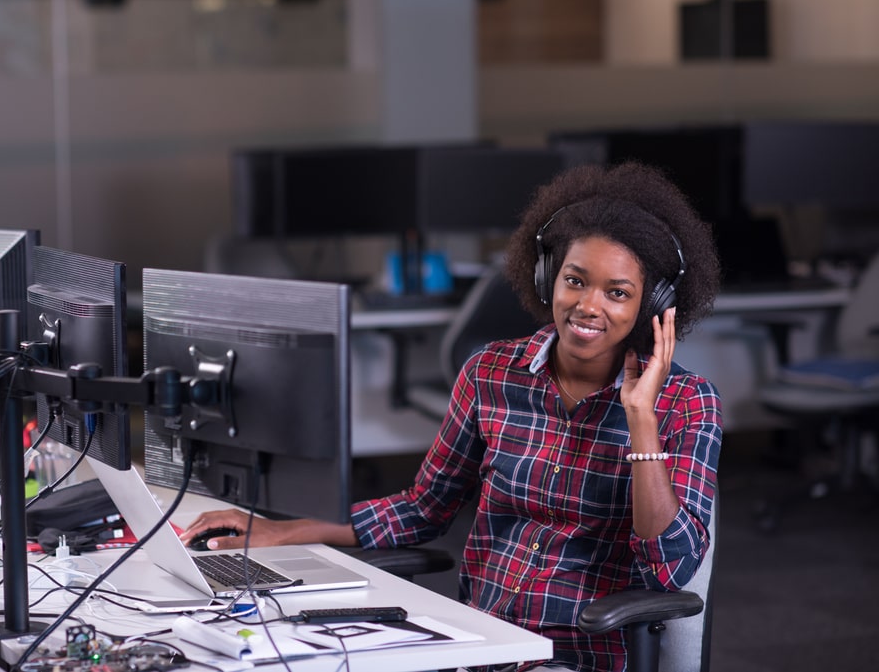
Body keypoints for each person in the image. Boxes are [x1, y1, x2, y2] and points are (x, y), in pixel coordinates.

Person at [180, 161, 724, 672]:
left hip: (576, 657)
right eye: (575, 280)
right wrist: (287, 530)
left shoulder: (687, 403)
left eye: (618, 293)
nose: (588, 305)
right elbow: (425, 508)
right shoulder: (489, 372)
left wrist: (640, 418)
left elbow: (669, 569)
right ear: (547, 278)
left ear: (651, 308)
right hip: (476, 641)